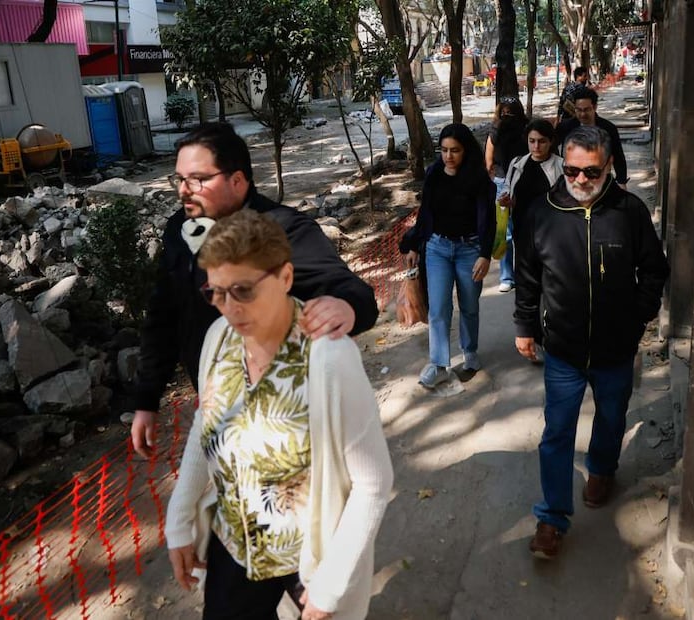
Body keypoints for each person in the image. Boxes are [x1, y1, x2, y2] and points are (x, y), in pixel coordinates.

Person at [165, 209, 393, 620]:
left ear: (285, 277)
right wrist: (179, 519)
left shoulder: (328, 357)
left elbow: (373, 482)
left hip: (306, 563)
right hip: (233, 550)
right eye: (215, 293)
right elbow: (206, 423)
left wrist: (331, 583)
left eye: (243, 290)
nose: (229, 308)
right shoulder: (218, 339)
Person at [130, 122, 378, 457]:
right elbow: (163, 313)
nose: (184, 191)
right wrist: (147, 398)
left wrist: (346, 306)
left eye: (198, 179)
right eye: (179, 179)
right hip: (216, 401)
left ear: (237, 180)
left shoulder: (284, 230)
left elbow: (348, 290)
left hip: (287, 409)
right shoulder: (180, 230)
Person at [514, 126, 669, 559]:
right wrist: (525, 327)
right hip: (562, 350)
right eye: (572, 170)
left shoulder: (629, 211)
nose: (580, 180)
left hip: (616, 349)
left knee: (612, 416)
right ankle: (551, 518)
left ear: (608, 166)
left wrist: (638, 313)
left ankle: (602, 467)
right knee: (556, 433)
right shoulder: (540, 214)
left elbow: (654, 269)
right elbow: (526, 278)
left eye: (591, 172)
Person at [400, 124, 496, 388]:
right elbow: (425, 215)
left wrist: (485, 255)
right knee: (439, 308)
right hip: (437, 249)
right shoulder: (433, 174)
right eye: (443, 150)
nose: (449, 156)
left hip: (470, 250)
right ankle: (439, 364)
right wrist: (413, 245)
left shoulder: (479, 180)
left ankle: (470, 352)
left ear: (466, 151)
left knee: (469, 306)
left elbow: (488, 221)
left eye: (455, 150)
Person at [498, 118, 565, 301]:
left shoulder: (561, 166)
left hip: (552, 235)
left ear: (551, 142)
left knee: (551, 284)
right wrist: (506, 200)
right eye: (532, 141)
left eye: (542, 141)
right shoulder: (517, 164)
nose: (536, 146)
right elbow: (507, 188)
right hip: (523, 233)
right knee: (526, 284)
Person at [484, 97, 529, 292]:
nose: (507, 115)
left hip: (524, 183)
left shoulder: (527, 129)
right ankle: (507, 277)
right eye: (504, 111)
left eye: (511, 111)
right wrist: (492, 180)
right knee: (505, 232)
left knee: (524, 230)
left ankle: (524, 274)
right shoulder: (495, 130)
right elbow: (488, 158)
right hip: (502, 183)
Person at [556, 87, 629, 189]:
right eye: (578, 110)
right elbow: (552, 147)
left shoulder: (608, 128)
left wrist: (622, 181)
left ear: (594, 107)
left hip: (599, 179)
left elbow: (618, 156)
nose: (582, 114)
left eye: (586, 110)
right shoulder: (565, 127)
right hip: (573, 179)